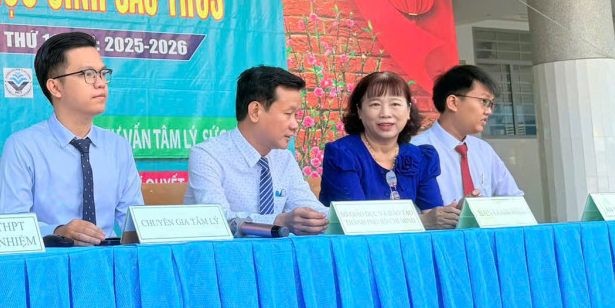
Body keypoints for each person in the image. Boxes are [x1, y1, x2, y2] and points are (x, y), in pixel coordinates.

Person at [0, 31, 143, 242]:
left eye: (103, 73)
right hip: (50, 258)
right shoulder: (22, 147)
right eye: (88, 74)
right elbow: (13, 224)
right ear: (55, 87)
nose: (101, 83)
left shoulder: (118, 146)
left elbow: (134, 223)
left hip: (109, 256)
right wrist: (58, 232)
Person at [185, 65, 327, 235]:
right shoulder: (208, 155)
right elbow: (218, 220)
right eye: (288, 114)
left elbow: (311, 209)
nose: (295, 125)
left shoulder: (285, 158)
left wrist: (343, 217)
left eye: (296, 115)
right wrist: (279, 222)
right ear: (255, 111)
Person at [318, 71, 461, 229]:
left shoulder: (420, 156)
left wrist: (454, 214)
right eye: (375, 104)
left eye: (395, 104)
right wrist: (421, 222)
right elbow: (354, 221)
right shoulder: (342, 154)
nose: (385, 114)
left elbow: (432, 215)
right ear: (359, 111)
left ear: (408, 111)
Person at [412, 65, 523, 203]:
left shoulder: (484, 150)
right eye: (483, 101)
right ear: (453, 102)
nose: (489, 111)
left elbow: (514, 199)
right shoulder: (415, 151)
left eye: (490, 104)